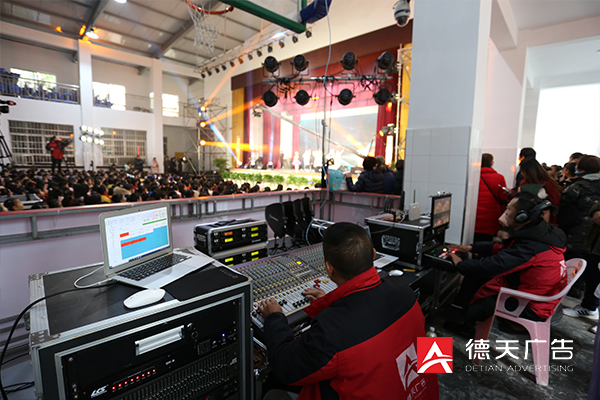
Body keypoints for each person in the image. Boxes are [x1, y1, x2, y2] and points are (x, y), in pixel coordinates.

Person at [258, 222, 439, 400]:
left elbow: (285, 368)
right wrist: (332, 302)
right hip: (427, 391)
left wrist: (274, 318)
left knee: (273, 394)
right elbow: (428, 352)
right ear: (373, 254)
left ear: (329, 269)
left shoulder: (332, 330)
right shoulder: (403, 289)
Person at [445, 192, 567, 335]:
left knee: (481, 283)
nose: (505, 213)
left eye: (509, 209)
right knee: (476, 276)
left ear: (522, 217)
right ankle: (458, 311)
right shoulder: (541, 232)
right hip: (537, 296)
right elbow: (508, 249)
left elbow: (493, 266)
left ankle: (461, 321)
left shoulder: (532, 245)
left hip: (531, 307)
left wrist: (460, 264)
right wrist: (472, 248)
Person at [559, 155, 600, 319]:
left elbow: (563, 202)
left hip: (577, 229)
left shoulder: (579, 185)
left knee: (573, 260)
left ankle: (569, 290)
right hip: (594, 234)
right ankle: (581, 292)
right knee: (590, 265)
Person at [474, 153, 507, 242]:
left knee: (474, 241)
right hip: (492, 217)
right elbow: (503, 199)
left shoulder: (473, 177)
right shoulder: (500, 178)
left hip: (474, 216)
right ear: (492, 163)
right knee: (487, 243)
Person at [519, 157, 562, 224]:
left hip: (544, 218)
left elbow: (554, 202)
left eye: (523, 171)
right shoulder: (524, 182)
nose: (521, 173)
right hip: (526, 218)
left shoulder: (548, 184)